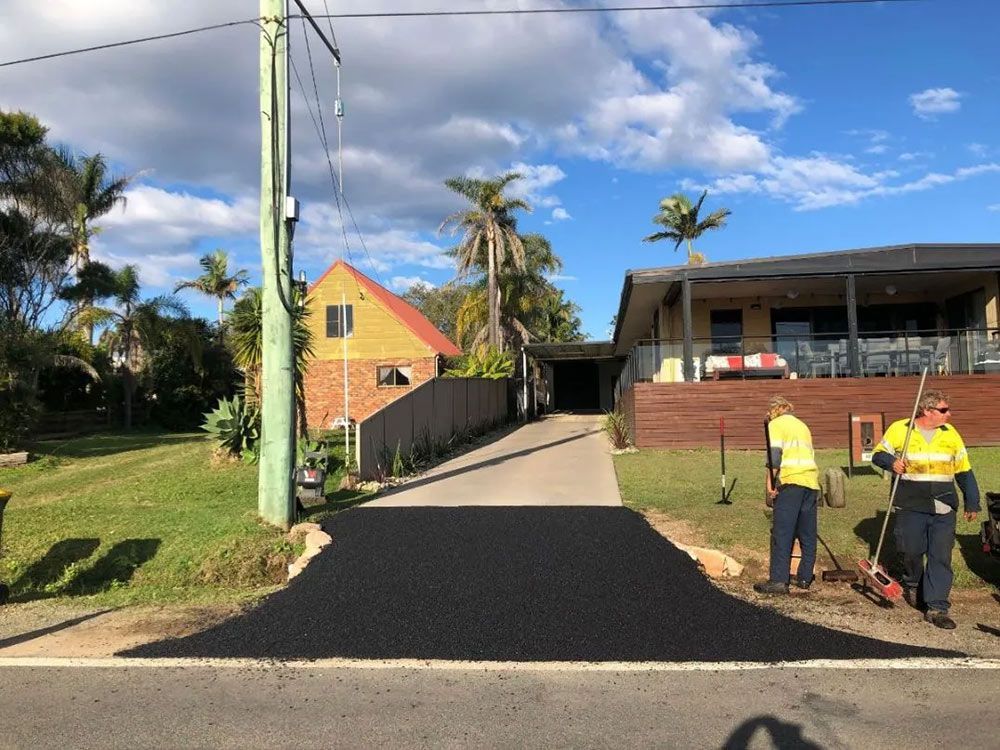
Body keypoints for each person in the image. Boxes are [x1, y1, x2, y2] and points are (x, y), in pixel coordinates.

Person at [871, 389, 980, 630]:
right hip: (910, 502)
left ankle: (937, 606)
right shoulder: (901, 429)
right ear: (927, 411)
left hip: (943, 504)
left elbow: (963, 469)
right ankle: (913, 584)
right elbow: (877, 455)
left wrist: (972, 501)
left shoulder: (951, 433)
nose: (948, 415)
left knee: (940, 555)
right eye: (943, 410)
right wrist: (892, 462)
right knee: (911, 550)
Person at [754, 396, 820, 595]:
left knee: (782, 533)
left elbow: (774, 457)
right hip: (811, 483)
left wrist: (770, 485)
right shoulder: (802, 426)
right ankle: (804, 578)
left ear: (774, 411)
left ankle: (778, 580)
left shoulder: (776, 425)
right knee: (807, 534)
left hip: (790, 482)